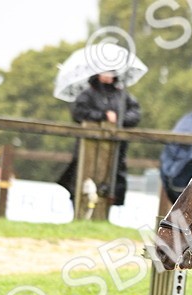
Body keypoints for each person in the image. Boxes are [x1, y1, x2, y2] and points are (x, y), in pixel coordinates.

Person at [57, 70, 142, 206]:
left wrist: (119, 119)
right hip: (89, 148)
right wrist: (103, 116)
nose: (108, 75)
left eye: (111, 72)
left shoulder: (122, 95)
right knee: (82, 180)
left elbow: (135, 114)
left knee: (113, 181)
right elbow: (78, 113)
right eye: (105, 72)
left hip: (116, 148)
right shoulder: (87, 94)